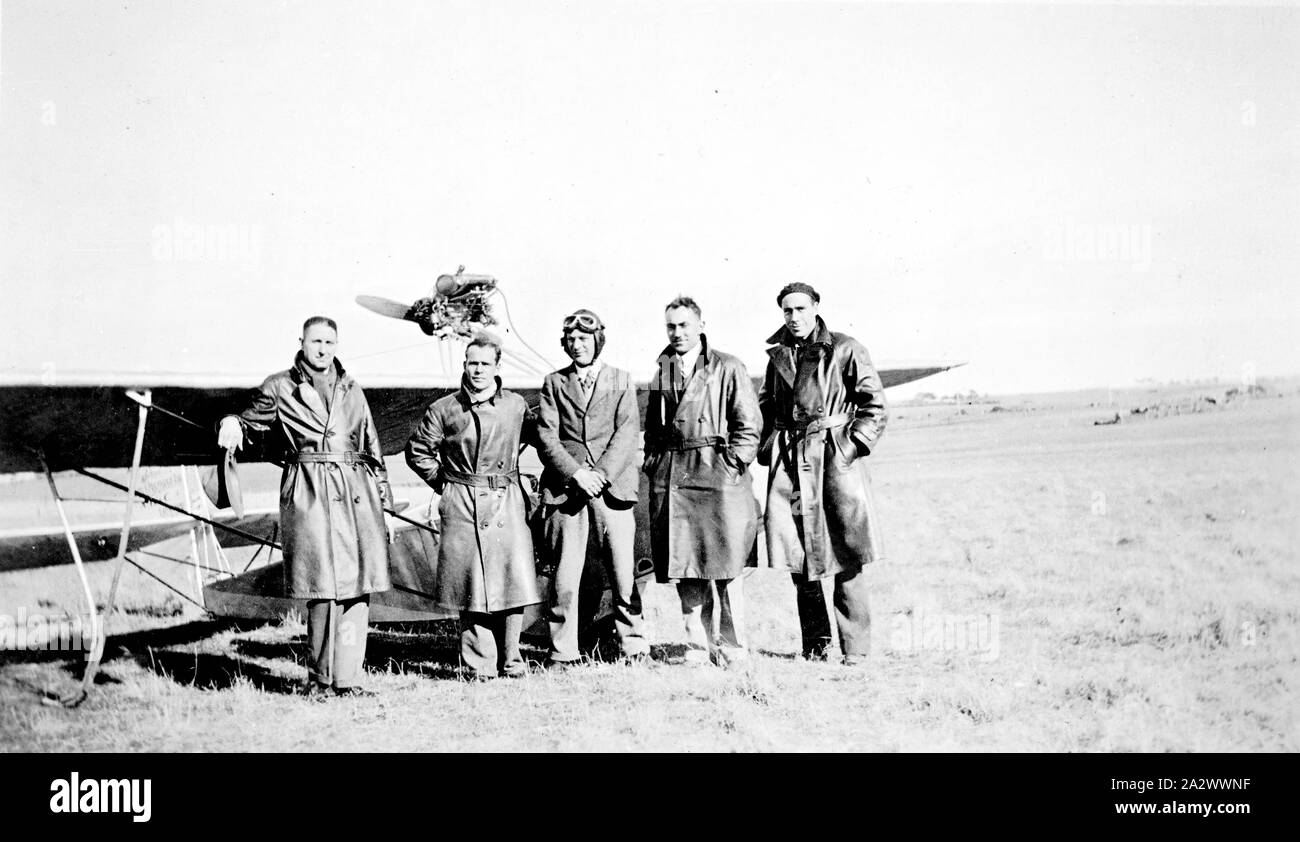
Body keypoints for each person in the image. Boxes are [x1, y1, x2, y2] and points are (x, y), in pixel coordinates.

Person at [217, 316, 393, 698]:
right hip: (310, 492)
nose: (323, 348)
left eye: (330, 341)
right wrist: (232, 422)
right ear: (302, 341)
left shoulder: (351, 388)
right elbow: (251, 421)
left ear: (337, 344)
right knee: (323, 587)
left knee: (356, 589)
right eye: (316, 341)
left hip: (356, 492)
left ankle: (349, 680)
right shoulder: (280, 386)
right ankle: (320, 680)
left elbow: (372, 447)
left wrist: (386, 507)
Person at [757, 283, 888, 666]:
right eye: (787, 311)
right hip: (792, 464)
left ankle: (856, 650)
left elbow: (874, 405)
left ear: (815, 307)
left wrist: (849, 448)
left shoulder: (846, 348)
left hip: (834, 463)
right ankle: (815, 647)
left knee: (846, 555)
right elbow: (767, 406)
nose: (794, 317)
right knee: (800, 558)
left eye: (800, 308)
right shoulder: (777, 356)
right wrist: (769, 447)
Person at [404, 333, 541, 679]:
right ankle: (480, 664)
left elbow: (543, 438)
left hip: (506, 500)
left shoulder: (515, 405)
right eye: (471, 363)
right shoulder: (444, 408)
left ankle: (512, 659)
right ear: (464, 365)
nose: (477, 370)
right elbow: (417, 451)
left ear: (497, 366)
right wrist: (446, 486)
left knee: (513, 581)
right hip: (463, 501)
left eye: (484, 364)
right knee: (471, 585)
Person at [644, 296, 762, 667]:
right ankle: (696, 647)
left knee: (725, 567)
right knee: (687, 567)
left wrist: (732, 464)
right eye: (671, 326)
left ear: (700, 325)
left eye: (683, 325)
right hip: (676, 477)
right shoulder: (662, 369)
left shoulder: (728, 366)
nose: (677, 333)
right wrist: (655, 464)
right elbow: (654, 431)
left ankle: (732, 647)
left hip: (718, 476)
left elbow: (749, 425)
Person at [535, 308, 648, 667]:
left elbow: (627, 431)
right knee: (565, 579)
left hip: (612, 492)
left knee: (623, 576)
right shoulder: (554, 382)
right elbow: (545, 436)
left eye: (584, 339)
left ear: (598, 340)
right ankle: (562, 651)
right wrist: (575, 474)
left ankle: (633, 645)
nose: (577, 345)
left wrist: (600, 474)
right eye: (571, 340)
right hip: (567, 492)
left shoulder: (618, 379)